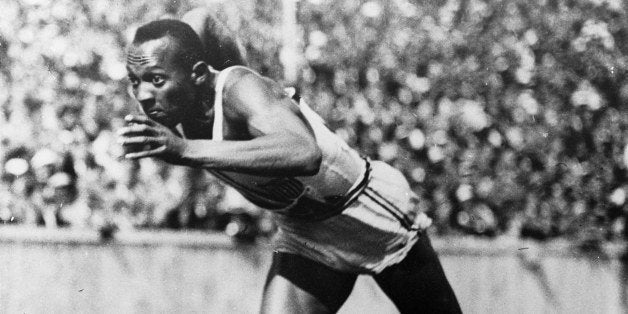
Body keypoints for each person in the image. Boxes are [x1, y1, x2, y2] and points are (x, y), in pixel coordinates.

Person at [117, 15, 461, 313]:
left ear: (196, 73)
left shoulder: (239, 91)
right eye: (135, 81)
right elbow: (203, 19)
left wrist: (186, 150)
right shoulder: (180, 99)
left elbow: (304, 153)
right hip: (305, 234)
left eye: (157, 80)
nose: (144, 95)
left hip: (368, 215)